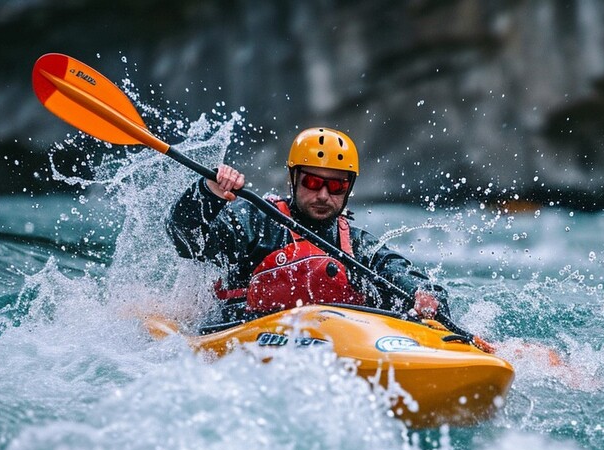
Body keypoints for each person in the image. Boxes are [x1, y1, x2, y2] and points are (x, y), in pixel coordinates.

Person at [166, 127, 448, 329]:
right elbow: (185, 237)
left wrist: (425, 296)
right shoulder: (256, 223)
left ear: (349, 189)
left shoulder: (359, 247)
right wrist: (208, 192)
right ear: (293, 178)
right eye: (313, 183)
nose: (324, 195)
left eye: (336, 186)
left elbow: (399, 272)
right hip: (239, 332)